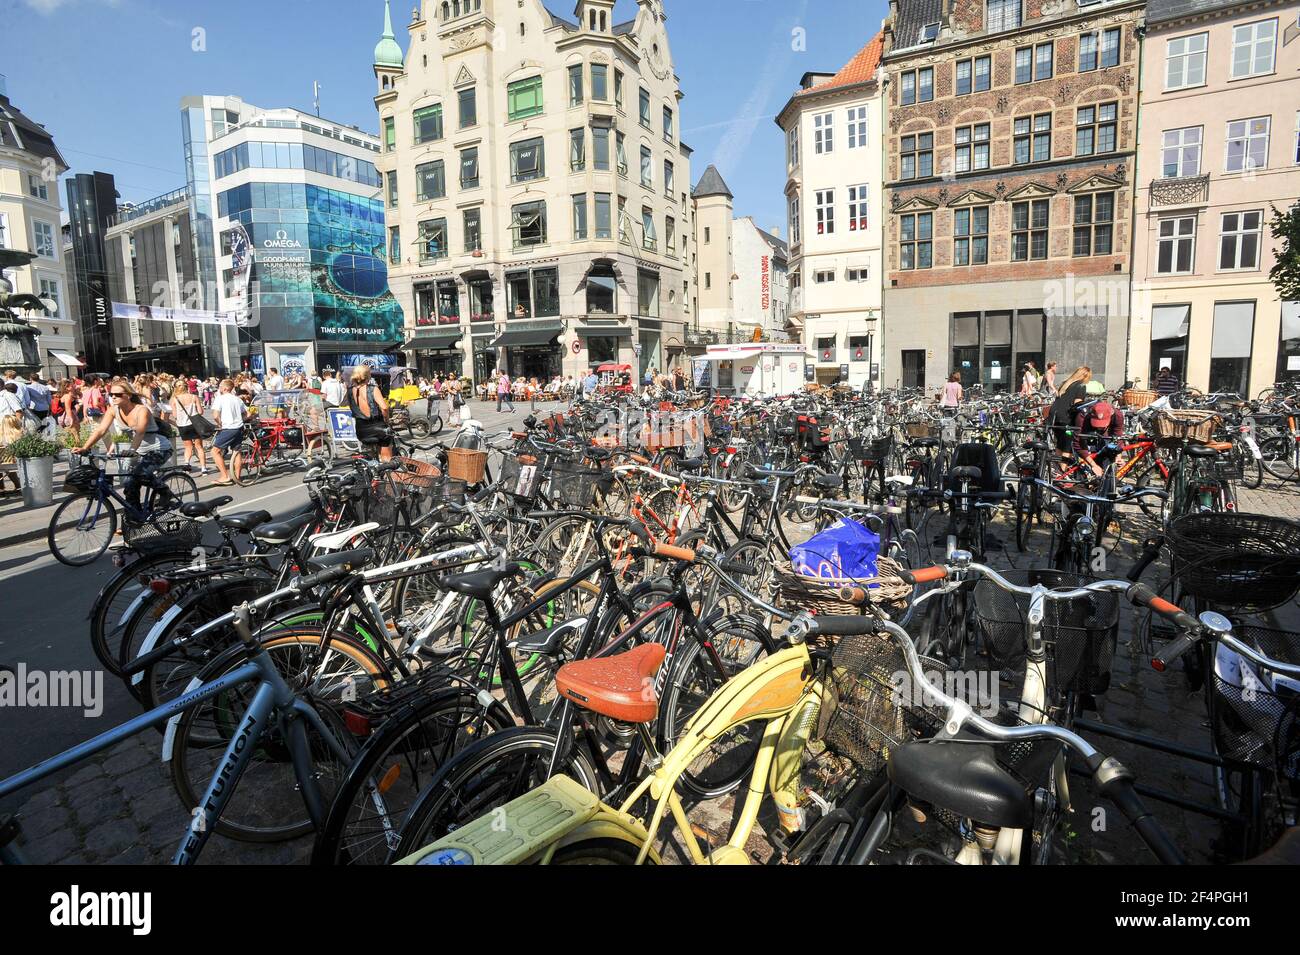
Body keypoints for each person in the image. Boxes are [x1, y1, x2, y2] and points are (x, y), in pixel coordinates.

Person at [73, 379, 172, 520]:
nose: (113, 397)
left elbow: (140, 432)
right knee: (129, 484)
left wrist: (132, 449)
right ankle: (136, 516)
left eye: (118, 395)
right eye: (111, 394)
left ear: (128, 395)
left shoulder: (141, 410)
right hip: (139, 450)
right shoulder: (113, 410)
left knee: (141, 473)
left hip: (159, 448)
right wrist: (84, 447)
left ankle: (165, 492)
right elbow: (101, 430)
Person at [347, 365, 393, 461]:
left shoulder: (350, 390)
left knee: (372, 457)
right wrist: (387, 421)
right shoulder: (373, 389)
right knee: (386, 455)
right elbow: (384, 408)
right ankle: (387, 468)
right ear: (368, 376)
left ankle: (374, 469)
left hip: (361, 430)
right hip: (377, 428)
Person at [1071, 399, 1124, 478]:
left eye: (1102, 425)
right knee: (1082, 460)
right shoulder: (1083, 416)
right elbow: (1078, 443)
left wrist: (1118, 457)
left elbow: (1118, 437)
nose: (1099, 427)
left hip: (1106, 433)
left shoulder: (1117, 415)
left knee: (1108, 450)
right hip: (1086, 429)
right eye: (1097, 424)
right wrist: (1093, 465)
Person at [1048, 366, 1092, 460]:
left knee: (1060, 444)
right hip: (1066, 418)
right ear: (1085, 376)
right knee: (1068, 447)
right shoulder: (1081, 386)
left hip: (1055, 417)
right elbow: (1077, 404)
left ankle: (1055, 470)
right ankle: (1061, 472)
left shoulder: (1065, 383)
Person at [171, 382, 210, 475]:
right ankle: (204, 468)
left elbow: (175, 415)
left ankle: (187, 464)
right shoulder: (194, 397)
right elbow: (200, 412)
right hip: (195, 424)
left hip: (183, 425)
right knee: (199, 447)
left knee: (188, 447)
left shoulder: (174, 399)